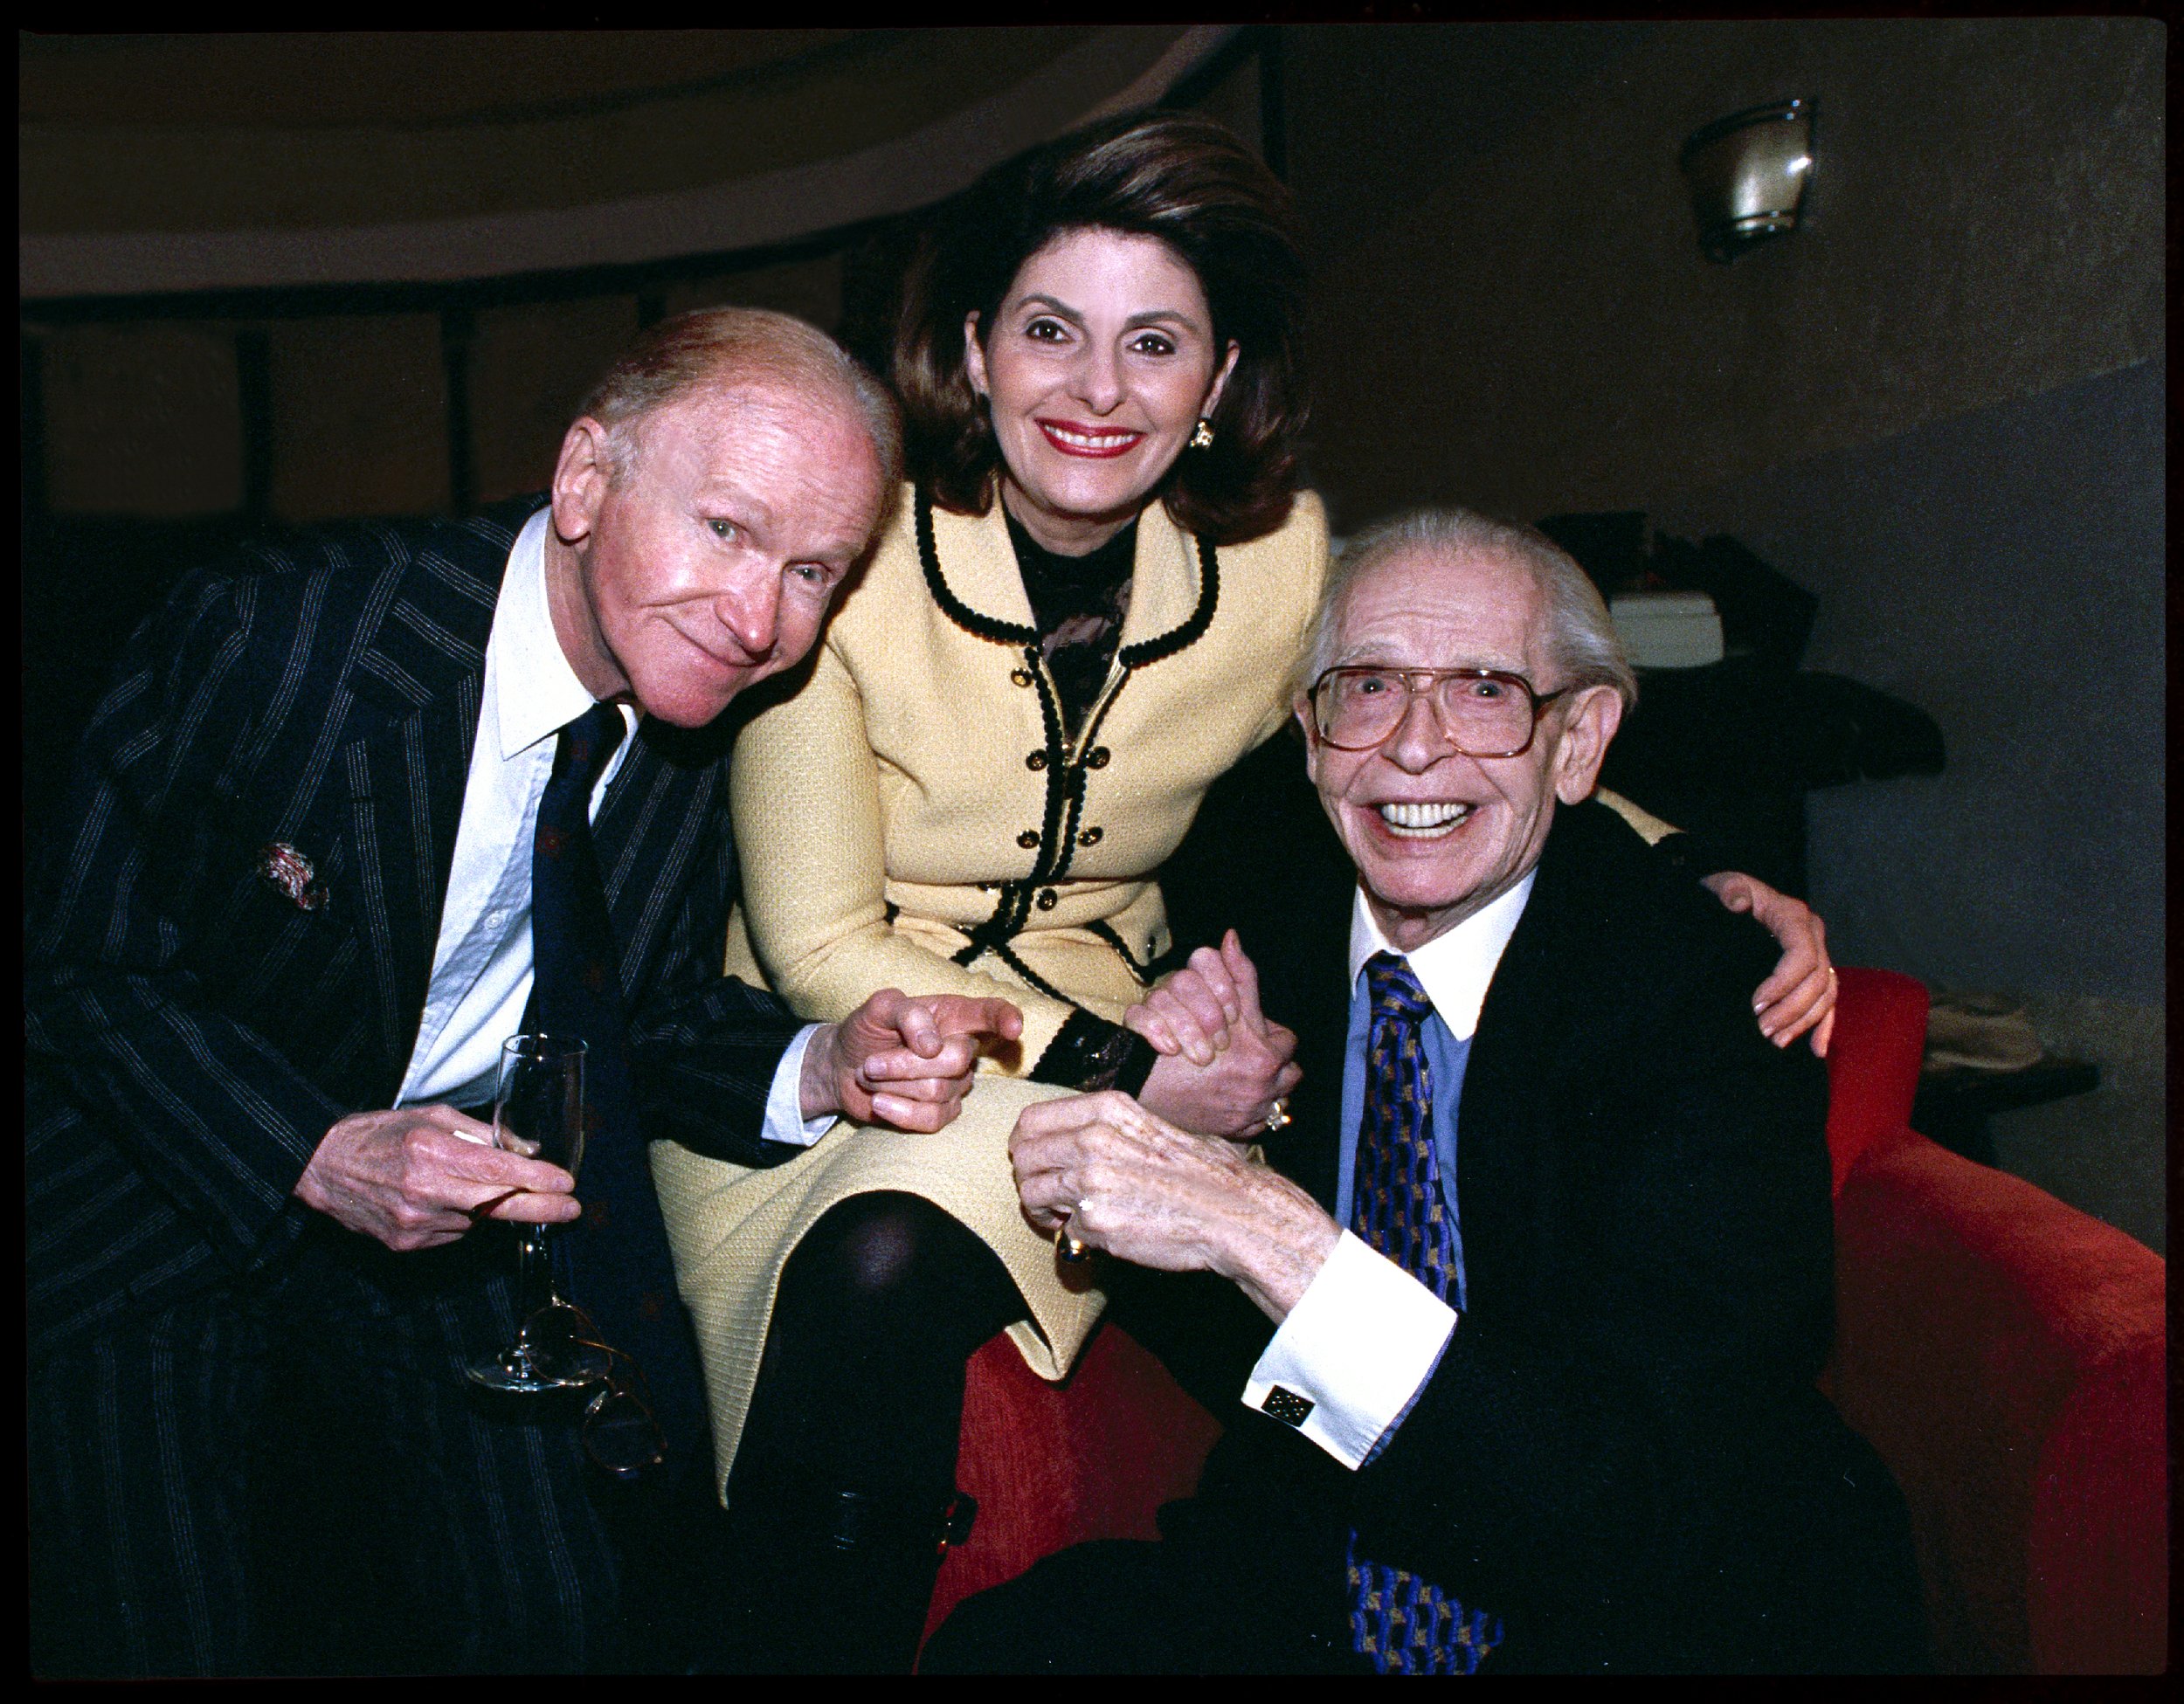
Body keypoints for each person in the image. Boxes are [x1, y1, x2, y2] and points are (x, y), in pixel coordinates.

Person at [653, 114, 1840, 1673]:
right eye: (1049, 332)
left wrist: (1680, 854)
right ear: (971, 350)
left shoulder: (1274, 559)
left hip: (1121, 1019)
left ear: (1216, 384)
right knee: (881, 1247)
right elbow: (820, 940)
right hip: (864, 1034)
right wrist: (1131, 1073)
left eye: (1154, 343)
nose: (1096, 391)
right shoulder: (852, 551)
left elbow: (1410, 729)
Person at [24, 307, 1022, 1677]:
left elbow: (651, 1018)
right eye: (726, 530)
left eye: (813, 572)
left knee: (567, 1611)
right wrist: (313, 1152)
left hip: (449, 1237)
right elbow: (77, 959)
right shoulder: (281, 634)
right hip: (162, 1197)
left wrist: (825, 1067)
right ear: (583, 480)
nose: (755, 620)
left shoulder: (700, 722)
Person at [925, 507, 1928, 1674]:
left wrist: (1259, 1227)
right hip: (1319, 1573)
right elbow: (1230, 1363)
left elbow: (1640, 1488)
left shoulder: (1711, 994)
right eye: (1367, 688)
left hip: (1648, 1595)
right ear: (1309, 733)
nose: (1412, 747)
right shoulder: (1256, 931)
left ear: (1579, 741)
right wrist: (1180, 1134)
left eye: (1486, 690)